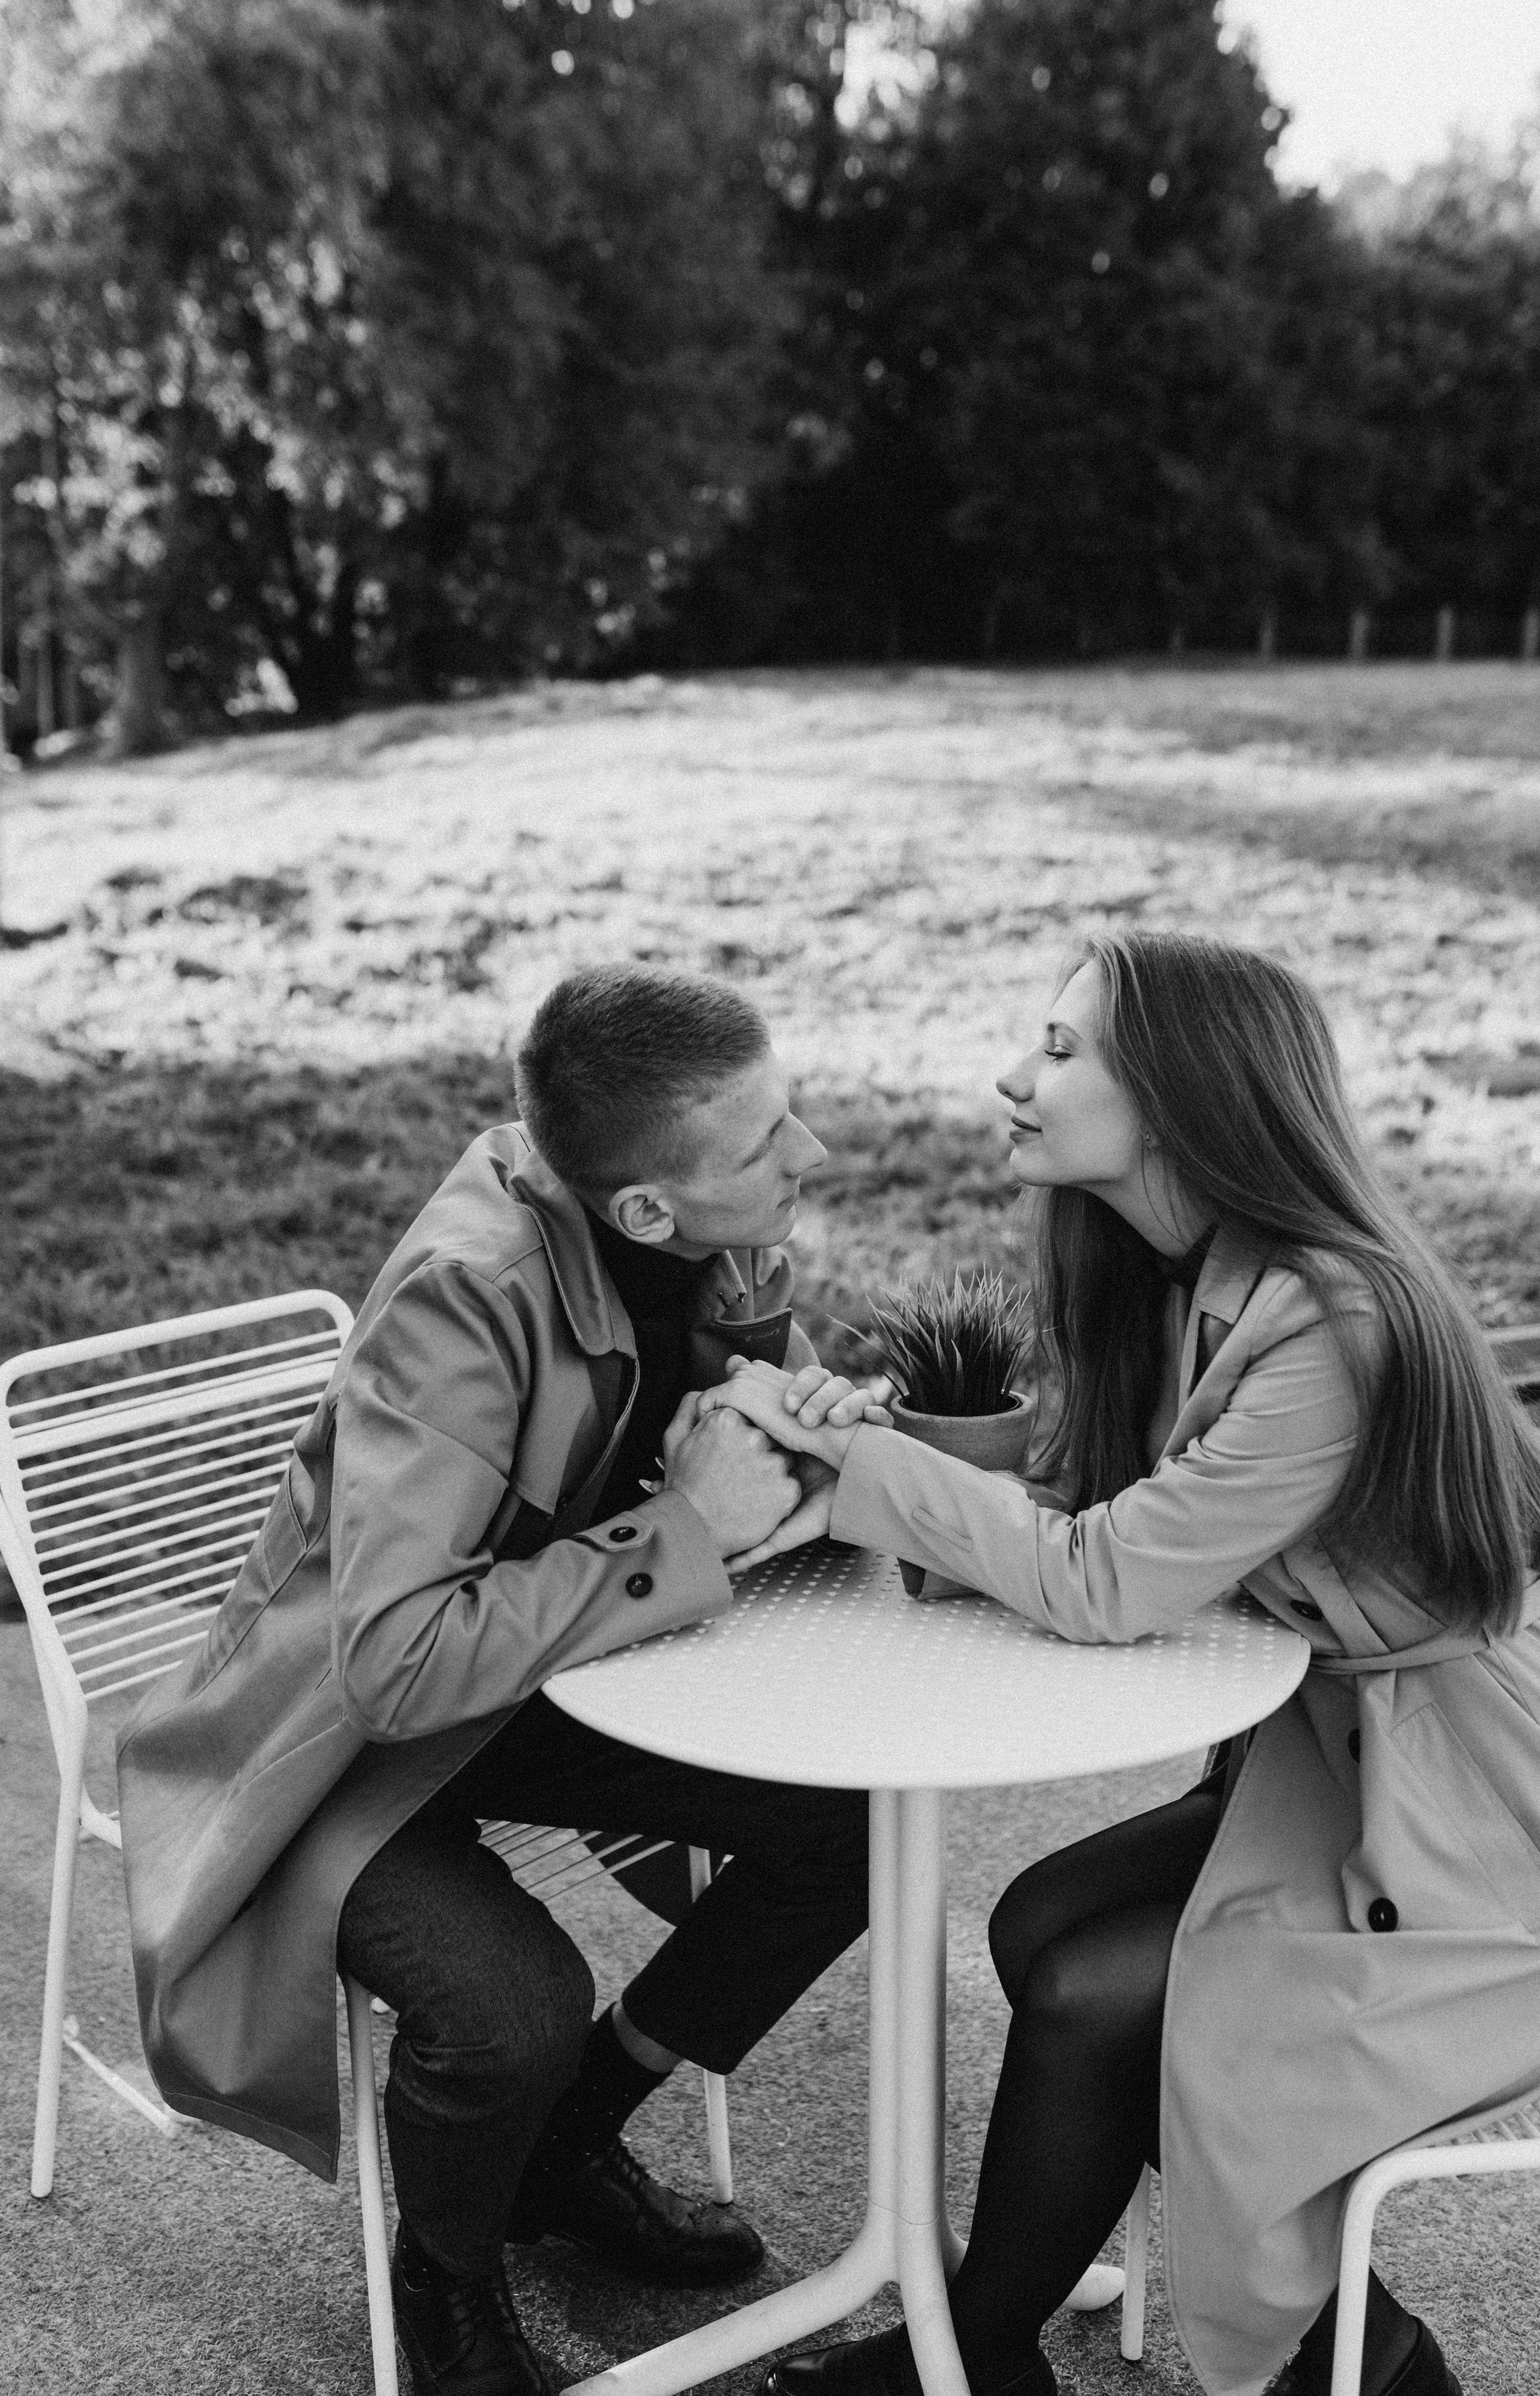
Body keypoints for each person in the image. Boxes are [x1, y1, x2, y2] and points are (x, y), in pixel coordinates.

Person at [706, 932, 1540, 2396]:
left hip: (1524, 1824)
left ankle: (1043, 2359)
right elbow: (1115, 1520)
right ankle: (1012, 2351)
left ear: (1185, 1097)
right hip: (1368, 1766)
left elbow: (1106, 1580)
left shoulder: (1333, 1323)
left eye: (1061, 1051)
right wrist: (881, 1446)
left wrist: (863, 1469)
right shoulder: (1185, 1272)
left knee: (1091, 1994)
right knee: (1041, 1921)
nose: (1013, 1075)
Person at [116, 965, 871, 2396]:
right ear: (643, 1208)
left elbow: (733, 1412)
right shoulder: (463, 1298)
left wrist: (807, 1423)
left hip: (533, 1685)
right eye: (770, 1139)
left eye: (795, 1112)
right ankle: (444, 2272)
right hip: (332, 1744)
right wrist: (688, 1528)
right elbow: (394, 1666)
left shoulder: (702, 1235)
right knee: (508, 2001)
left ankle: (565, 2142)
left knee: (852, 1830)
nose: (811, 1153)